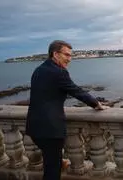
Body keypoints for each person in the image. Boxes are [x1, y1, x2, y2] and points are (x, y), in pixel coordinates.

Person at [25, 40, 108, 180]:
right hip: (51, 130)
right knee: (52, 170)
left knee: (51, 162)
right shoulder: (59, 72)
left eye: (71, 56)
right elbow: (76, 91)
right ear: (55, 54)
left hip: (34, 127)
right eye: (67, 55)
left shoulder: (39, 70)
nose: (70, 59)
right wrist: (96, 104)